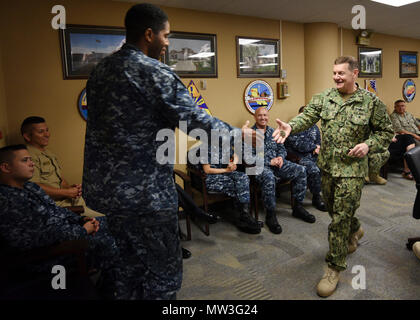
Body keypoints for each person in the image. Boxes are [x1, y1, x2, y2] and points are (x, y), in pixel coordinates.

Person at [82, 3, 282, 300]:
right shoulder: (152, 71)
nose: (167, 43)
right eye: (166, 35)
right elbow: (195, 121)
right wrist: (239, 134)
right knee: (161, 274)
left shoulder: (100, 71)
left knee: (124, 265)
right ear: (149, 34)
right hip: (145, 194)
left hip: (107, 191)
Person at [273, 56, 393, 297]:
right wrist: (291, 126)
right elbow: (307, 117)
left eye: (341, 73)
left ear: (354, 73)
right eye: (334, 73)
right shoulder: (324, 97)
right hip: (327, 167)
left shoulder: (371, 102)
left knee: (338, 220)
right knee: (332, 208)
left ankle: (333, 268)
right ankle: (355, 228)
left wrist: (368, 145)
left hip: (352, 171)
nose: (336, 77)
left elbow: (385, 132)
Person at [0, 144, 123, 299]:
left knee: (115, 225)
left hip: (68, 233)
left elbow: (57, 211)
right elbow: (29, 241)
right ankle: (109, 292)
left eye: (31, 159)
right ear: (6, 167)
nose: (32, 163)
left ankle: (105, 282)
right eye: (25, 160)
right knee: (110, 243)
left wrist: (82, 220)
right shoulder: (6, 200)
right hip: (49, 253)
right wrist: (82, 231)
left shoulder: (31, 187)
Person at [245, 107, 317, 236]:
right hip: (259, 167)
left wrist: (280, 157)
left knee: (300, 170)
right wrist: (268, 161)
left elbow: (282, 148)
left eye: (265, 115)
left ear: (268, 117)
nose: (263, 118)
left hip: (278, 164)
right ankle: (270, 214)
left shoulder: (275, 131)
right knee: (268, 176)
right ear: (255, 117)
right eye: (260, 115)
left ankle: (297, 207)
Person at [20, 116, 103, 218]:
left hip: (67, 200)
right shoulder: (27, 156)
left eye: (47, 130)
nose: (47, 134)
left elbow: (59, 180)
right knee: (101, 219)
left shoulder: (49, 153)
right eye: (41, 132)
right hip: (53, 205)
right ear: (27, 136)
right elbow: (33, 187)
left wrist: (71, 189)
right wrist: (67, 192)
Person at [201, 137, 261, 234]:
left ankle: (244, 216)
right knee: (240, 187)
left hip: (226, 173)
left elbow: (235, 155)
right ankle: (244, 218)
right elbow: (207, 170)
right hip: (212, 177)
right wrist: (225, 170)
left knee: (243, 177)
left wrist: (233, 163)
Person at [284, 106, 327, 211]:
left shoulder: (314, 127)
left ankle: (328, 194)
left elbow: (318, 141)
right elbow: (298, 145)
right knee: (314, 169)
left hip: (312, 156)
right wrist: (314, 147)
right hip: (298, 157)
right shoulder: (293, 127)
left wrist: (317, 147)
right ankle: (316, 197)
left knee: (328, 164)